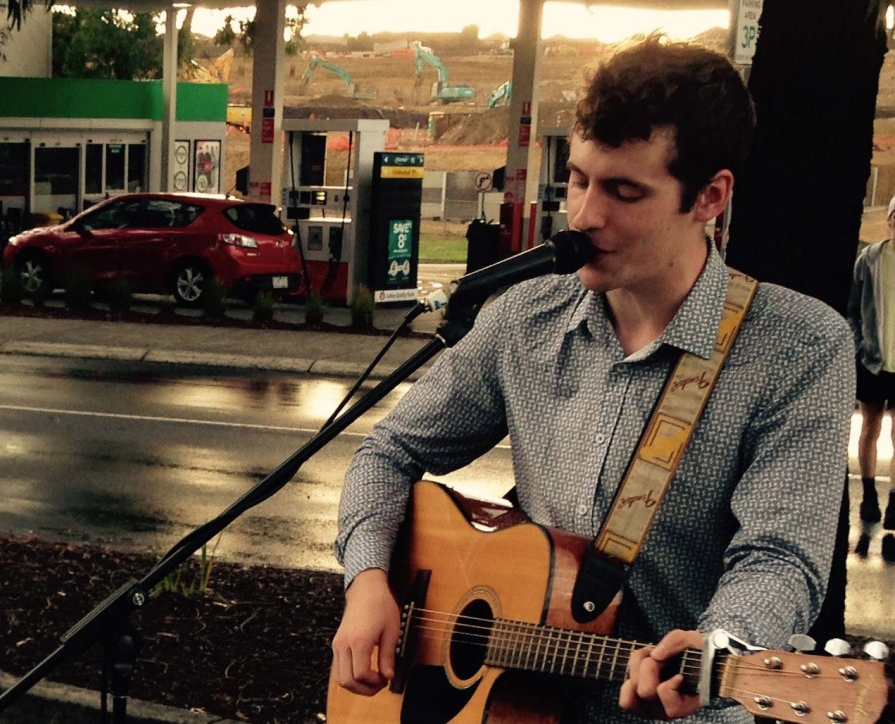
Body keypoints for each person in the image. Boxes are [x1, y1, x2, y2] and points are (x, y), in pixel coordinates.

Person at [331, 35, 854, 723]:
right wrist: (369, 582)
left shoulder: (800, 346)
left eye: (624, 191)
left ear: (710, 197)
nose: (583, 216)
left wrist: (718, 645)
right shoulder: (525, 317)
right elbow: (388, 452)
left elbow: (781, 557)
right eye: (578, 178)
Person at [848, 199, 895, 531]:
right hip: (873, 360)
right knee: (870, 427)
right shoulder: (871, 259)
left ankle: (894, 499)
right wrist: (858, 344)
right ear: (890, 220)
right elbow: (853, 308)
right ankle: (867, 494)